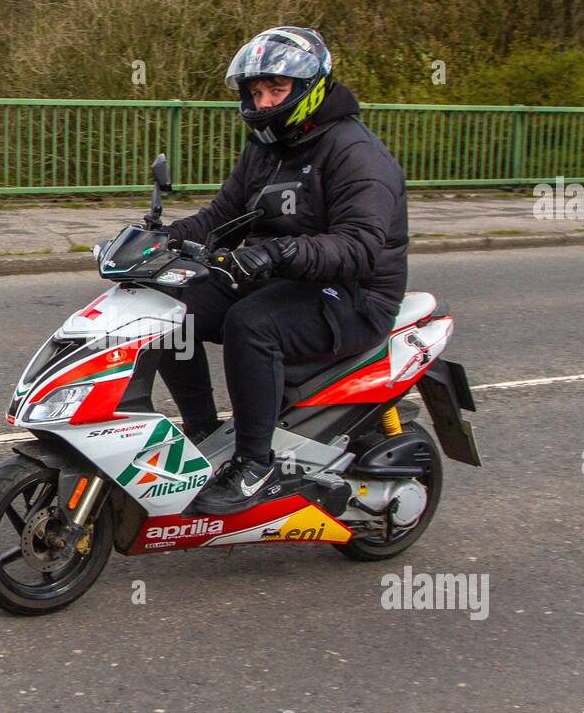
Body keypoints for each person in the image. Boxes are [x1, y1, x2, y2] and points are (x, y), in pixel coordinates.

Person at [158, 26, 409, 515]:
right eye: (256, 91)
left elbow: (359, 247)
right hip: (284, 276)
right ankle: (206, 435)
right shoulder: (267, 147)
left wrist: (277, 253)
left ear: (310, 87)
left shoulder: (354, 152)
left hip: (355, 295)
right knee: (171, 307)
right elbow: (223, 217)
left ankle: (256, 464)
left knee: (251, 324)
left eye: (277, 89)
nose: (264, 101)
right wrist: (161, 239)